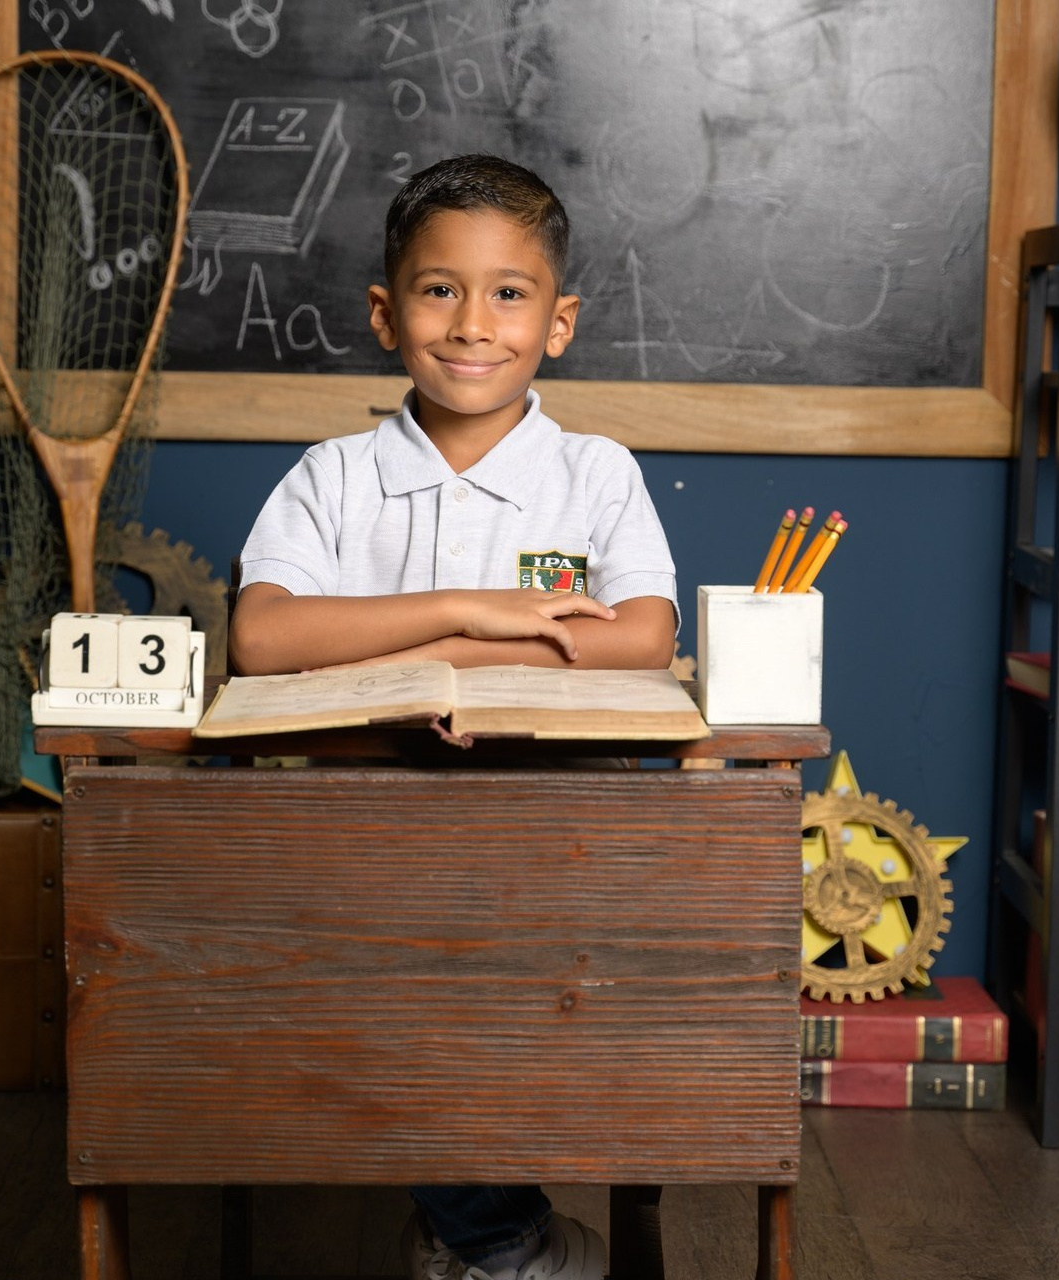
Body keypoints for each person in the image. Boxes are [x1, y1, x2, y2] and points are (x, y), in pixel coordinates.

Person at [230, 154, 679, 1280]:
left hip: (555, 832)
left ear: (558, 321)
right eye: (438, 289)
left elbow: (641, 635)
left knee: (544, 987)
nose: (472, 322)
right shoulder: (332, 476)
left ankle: (477, 1229)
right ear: (385, 313)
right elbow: (262, 635)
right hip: (362, 839)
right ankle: (495, 1236)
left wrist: (416, 645)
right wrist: (469, 612)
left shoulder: (594, 472)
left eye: (509, 293)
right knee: (393, 992)